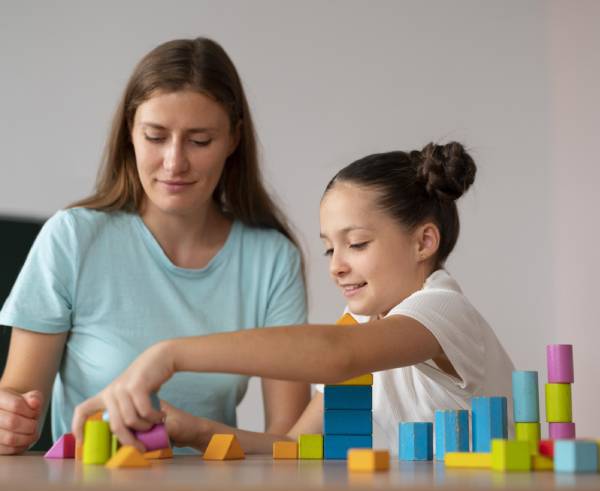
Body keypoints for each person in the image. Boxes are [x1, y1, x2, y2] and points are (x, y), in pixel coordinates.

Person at [72, 142, 515, 455]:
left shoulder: (442, 310)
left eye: (356, 243)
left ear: (424, 242)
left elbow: (334, 355)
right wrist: (195, 430)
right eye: (329, 248)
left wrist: (169, 354)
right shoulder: (361, 329)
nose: (336, 266)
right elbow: (295, 448)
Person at [0, 37, 311, 455]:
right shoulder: (72, 237)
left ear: (234, 140)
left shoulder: (271, 259)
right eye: (155, 136)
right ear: (130, 132)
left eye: (199, 141)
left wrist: (197, 432)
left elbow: (290, 445)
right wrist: (9, 422)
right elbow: (18, 397)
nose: (174, 162)